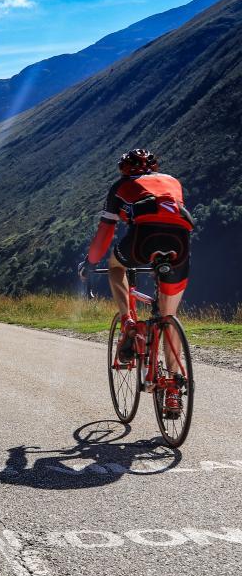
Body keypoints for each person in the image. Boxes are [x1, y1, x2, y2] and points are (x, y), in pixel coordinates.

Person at [78, 149, 193, 417]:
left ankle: (128, 322)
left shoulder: (120, 187)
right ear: (154, 167)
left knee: (116, 268)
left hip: (141, 241)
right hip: (180, 244)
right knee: (168, 316)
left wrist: (91, 263)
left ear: (124, 169)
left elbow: (105, 233)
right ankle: (173, 392)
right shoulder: (173, 181)